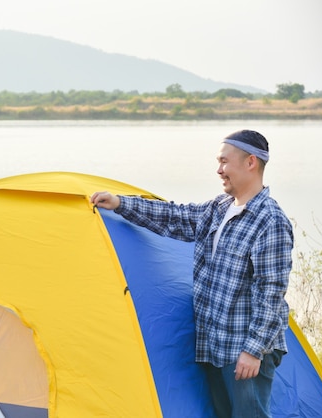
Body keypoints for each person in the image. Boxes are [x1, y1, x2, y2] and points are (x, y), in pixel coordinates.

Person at [90, 130, 293, 418]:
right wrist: (122, 204)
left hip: (244, 350)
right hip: (214, 344)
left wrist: (254, 350)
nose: (219, 170)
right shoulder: (219, 208)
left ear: (250, 162)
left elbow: (271, 292)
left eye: (224, 162)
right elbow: (175, 217)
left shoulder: (270, 220)